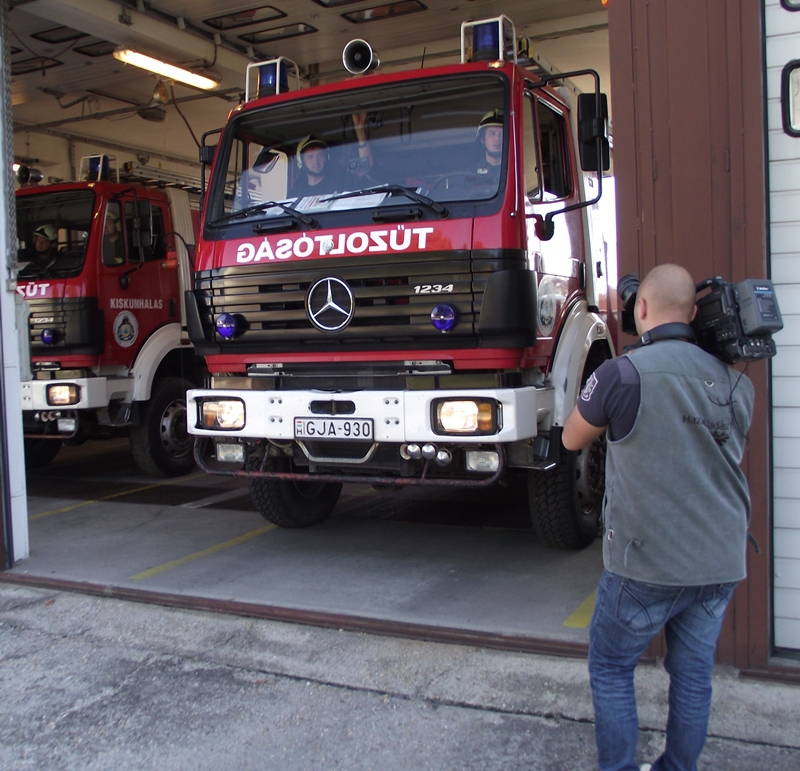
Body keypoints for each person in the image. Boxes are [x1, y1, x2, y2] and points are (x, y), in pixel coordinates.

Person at [561, 263, 754, 771]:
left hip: (645, 564)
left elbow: (572, 437)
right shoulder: (736, 382)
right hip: (719, 561)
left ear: (640, 308)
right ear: (691, 315)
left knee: (610, 666)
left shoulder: (622, 374)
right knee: (693, 675)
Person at [476, 109, 503, 182]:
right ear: (483, 140)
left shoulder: (518, 170)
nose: (497, 138)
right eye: (492, 133)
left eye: (502, 134)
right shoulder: (470, 175)